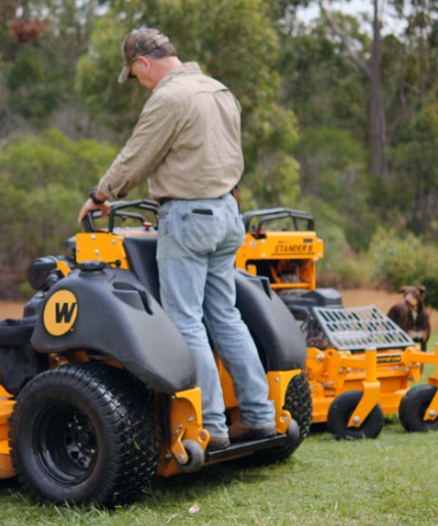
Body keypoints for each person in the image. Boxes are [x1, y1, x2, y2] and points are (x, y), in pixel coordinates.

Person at [76, 28, 276, 451]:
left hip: (189, 217)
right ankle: (260, 416)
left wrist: (101, 195)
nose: (139, 83)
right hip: (227, 213)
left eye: (135, 74)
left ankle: (212, 425)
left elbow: (138, 153)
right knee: (225, 316)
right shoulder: (220, 90)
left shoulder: (169, 97)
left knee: (186, 320)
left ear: (144, 62)